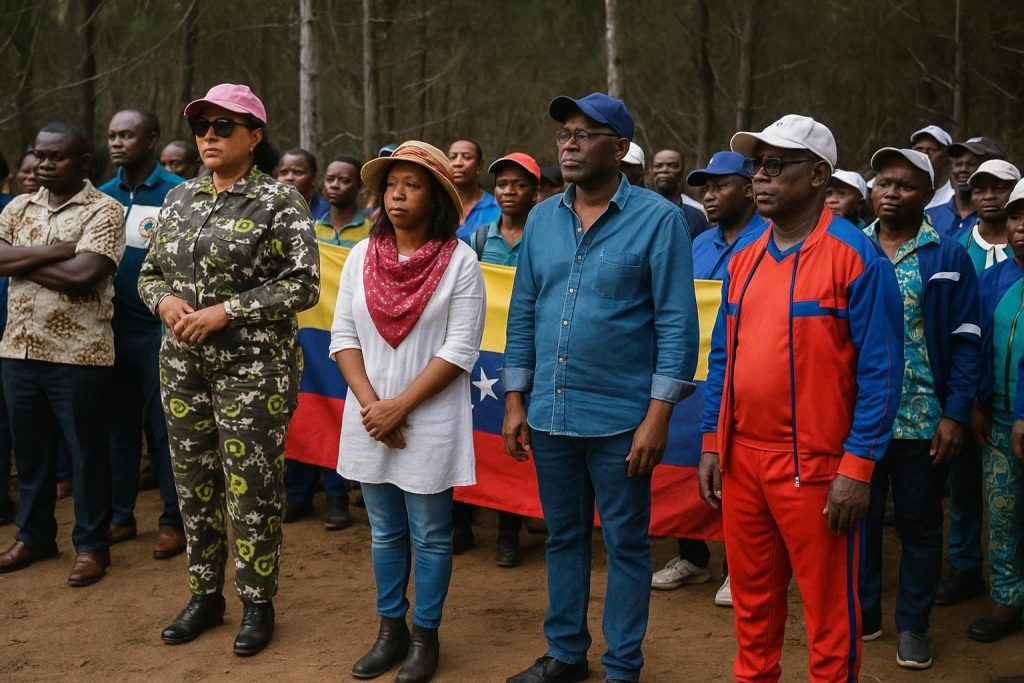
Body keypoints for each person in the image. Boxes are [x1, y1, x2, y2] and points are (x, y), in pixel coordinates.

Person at [699, 115, 903, 682]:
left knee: (830, 617)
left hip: (817, 469)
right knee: (753, 611)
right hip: (744, 463)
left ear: (817, 175)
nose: (758, 179)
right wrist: (714, 441)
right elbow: (723, 358)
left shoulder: (857, 257)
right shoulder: (744, 257)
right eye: (755, 167)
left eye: (773, 166)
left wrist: (857, 468)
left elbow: (882, 374)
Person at [503, 92, 698, 683]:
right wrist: (515, 399)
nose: (570, 142)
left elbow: (677, 324)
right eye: (565, 132)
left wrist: (658, 416)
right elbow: (523, 311)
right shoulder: (540, 219)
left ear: (619, 148)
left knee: (627, 544)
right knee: (564, 537)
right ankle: (565, 655)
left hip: (622, 419)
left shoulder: (659, 220)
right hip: (550, 412)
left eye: (586, 134)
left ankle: (621, 667)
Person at [139, 83, 319, 656]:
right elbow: (149, 274)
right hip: (183, 368)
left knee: (252, 488)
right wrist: (165, 302)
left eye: (224, 127)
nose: (209, 136)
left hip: (254, 371)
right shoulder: (179, 199)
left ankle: (257, 602)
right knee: (194, 485)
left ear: (254, 136)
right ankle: (205, 595)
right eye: (202, 127)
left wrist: (226, 311)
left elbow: (303, 283)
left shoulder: (280, 201)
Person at [331, 141, 485, 682]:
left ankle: (425, 637)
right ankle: (389, 631)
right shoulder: (359, 257)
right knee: (384, 533)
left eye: (413, 184)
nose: (397, 194)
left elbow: (461, 349)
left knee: (431, 534)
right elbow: (343, 336)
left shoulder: (460, 262)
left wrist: (401, 407)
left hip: (430, 417)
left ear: (437, 196)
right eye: (391, 184)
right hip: (370, 415)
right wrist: (375, 408)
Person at [858, 148, 981, 669]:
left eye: (905, 185)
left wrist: (954, 414)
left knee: (920, 526)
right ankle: (864, 615)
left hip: (921, 419)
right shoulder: (851, 248)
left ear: (929, 196)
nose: (890, 192)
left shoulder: (947, 255)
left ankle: (913, 624)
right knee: (858, 522)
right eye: (883, 182)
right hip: (858, 420)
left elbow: (969, 340)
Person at [0, 122, 125, 587]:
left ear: (84, 163)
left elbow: (84, 276)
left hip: (80, 357)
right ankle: (34, 535)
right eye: (39, 156)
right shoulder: (18, 206)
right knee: (31, 455)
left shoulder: (105, 210)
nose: (44, 165)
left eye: (56, 157)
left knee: (87, 454)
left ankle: (92, 546)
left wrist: (23, 260)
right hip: (18, 349)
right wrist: (54, 251)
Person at [652, 151, 767, 604]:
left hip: (750, 376)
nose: (709, 194)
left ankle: (737, 567)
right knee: (684, 460)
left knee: (739, 471)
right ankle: (693, 557)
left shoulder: (770, 239)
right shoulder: (697, 242)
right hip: (695, 376)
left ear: (750, 189)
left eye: (721, 185)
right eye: (705, 187)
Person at [931, 160, 1023, 612]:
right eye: (981, 187)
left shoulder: (1017, 254)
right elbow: (966, 333)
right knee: (965, 485)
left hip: (1007, 404)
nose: (989, 195)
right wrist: (965, 399)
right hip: (970, 394)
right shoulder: (956, 247)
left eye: (1000, 187)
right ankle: (965, 566)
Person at [97, 108, 187, 559]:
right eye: (112, 135)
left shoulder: (178, 194)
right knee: (119, 430)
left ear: (151, 140)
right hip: (109, 331)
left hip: (160, 331)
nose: (117, 143)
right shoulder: (102, 195)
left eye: (127, 135)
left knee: (165, 429)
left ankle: (173, 519)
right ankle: (120, 514)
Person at [284, 154, 369, 530]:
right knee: (306, 408)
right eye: (331, 179)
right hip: (310, 331)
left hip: (352, 334)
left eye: (344, 179)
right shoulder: (308, 227)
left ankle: (337, 496)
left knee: (341, 412)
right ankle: (299, 494)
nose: (336, 185)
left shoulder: (371, 231)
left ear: (358, 187)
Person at [465, 151, 540, 568]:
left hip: (530, 350)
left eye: (519, 184)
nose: (509, 191)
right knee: (472, 432)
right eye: (503, 184)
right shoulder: (475, 238)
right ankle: (463, 522)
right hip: (482, 353)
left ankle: (510, 530)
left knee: (517, 436)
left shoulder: (547, 236)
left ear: (536, 192)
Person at [970, 179, 1024, 643]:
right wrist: (975, 403)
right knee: (1002, 512)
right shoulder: (992, 279)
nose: (1022, 227)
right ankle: (1007, 598)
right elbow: (974, 345)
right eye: (1016, 216)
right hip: (999, 421)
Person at [926, 136, 1004, 237]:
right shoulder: (928, 218)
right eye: (958, 164)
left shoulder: (1005, 221)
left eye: (971, 164)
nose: (962, 169)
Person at [314, 154, 372, 248]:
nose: (334, 185)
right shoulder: (313, 229)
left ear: (360, 186)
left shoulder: (371, 231)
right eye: (329, 179)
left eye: (344, 181)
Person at [650, 148, 710, 238]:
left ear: (682, 171)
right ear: (651, 171)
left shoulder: (696, 215)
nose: (665, 170)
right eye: (658, 166)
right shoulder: (639, 210)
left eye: (673, 165)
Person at [449, 139, 500, 241]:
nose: (457, 163)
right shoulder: (435, 207)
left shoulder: (497, 209)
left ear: (480, 166)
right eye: (452, 157)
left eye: (467, 157)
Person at [277, 147, 329, 220]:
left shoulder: (327, 214)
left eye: (297, 172)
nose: (289, 178)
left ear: (314, 178)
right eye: (283, 172)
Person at [910, 125, 954, 209]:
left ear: (946, 157)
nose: (923, 155)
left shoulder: (955, 199)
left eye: (932, 150)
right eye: (918, 149)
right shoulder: (897, 193)